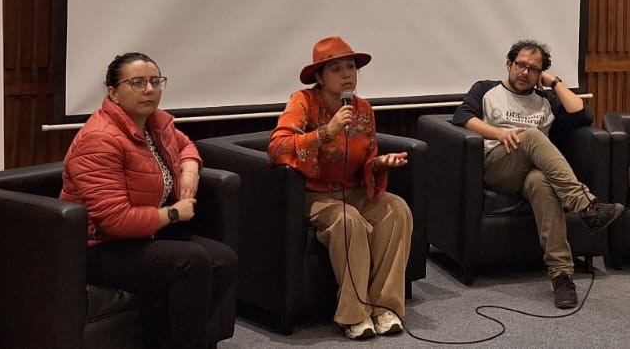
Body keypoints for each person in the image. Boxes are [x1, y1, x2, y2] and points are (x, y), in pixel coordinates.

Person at [61, 52, 238, 349]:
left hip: (144, 235)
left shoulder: (156, 123)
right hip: (101, 246)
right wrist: (172, 214)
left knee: (224, 259)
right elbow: (114, 221)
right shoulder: (100, 139)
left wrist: (190, 169)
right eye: (138, 82)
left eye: (155, 81)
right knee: (190, 261)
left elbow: (186, 145)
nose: (149, 89)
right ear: (113, 93)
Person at [452, 39, 625, 309]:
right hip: (498, 166)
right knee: (531, 136)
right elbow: (462, 117)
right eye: (520, 65)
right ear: (509, 64)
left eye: (533, 69)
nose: (525, 72)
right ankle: (586, 205)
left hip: (531, 172)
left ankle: (562, 276)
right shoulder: (486, 90)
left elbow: (583, 115)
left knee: (542, 182)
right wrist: (499, 133)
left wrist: (553, 82)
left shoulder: (545, 100)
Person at [268, 36, 413, 340]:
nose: (347, 74)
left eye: (351, 67)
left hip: (354, 190)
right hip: (313, 195)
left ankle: (384, 307)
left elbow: (366, 163)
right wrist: (327, 131)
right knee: (347, 220)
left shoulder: (362, 110)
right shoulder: (303, 102)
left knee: (397, 209)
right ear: (319, 77)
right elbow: (277, 149)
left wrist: (381, 163)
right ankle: (354, 314)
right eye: (336, 69)